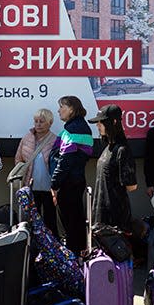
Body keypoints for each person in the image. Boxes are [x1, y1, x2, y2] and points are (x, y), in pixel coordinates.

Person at [49, 96, 93, 254]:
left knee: (70, 227)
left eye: (62, 107)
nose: (59, 110)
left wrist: (54, 184)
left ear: (72, 109)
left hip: (68, 184)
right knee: (76, 224)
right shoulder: (79, 127)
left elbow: (65, 160)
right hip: (75, 181)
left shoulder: (73, 130)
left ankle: (73, 264)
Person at [89, 104, 138, 230]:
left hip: (116, 218)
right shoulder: (107, 147)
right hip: (99, 214)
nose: (98, 125)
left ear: (114, 122)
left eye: (102, 122)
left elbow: (131, 186)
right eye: (97, 122)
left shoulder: (122, 150)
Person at [13, 108, 58, 235]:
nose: (38, 124)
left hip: (49, 188)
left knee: (50, 221)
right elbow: (19, 159)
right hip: (31, 186)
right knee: (31, 222)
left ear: (50, 123)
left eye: (42, 121)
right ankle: (32, 249)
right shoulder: (27, 138)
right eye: (36, 121)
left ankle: (52, 249)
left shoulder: (55, 140)